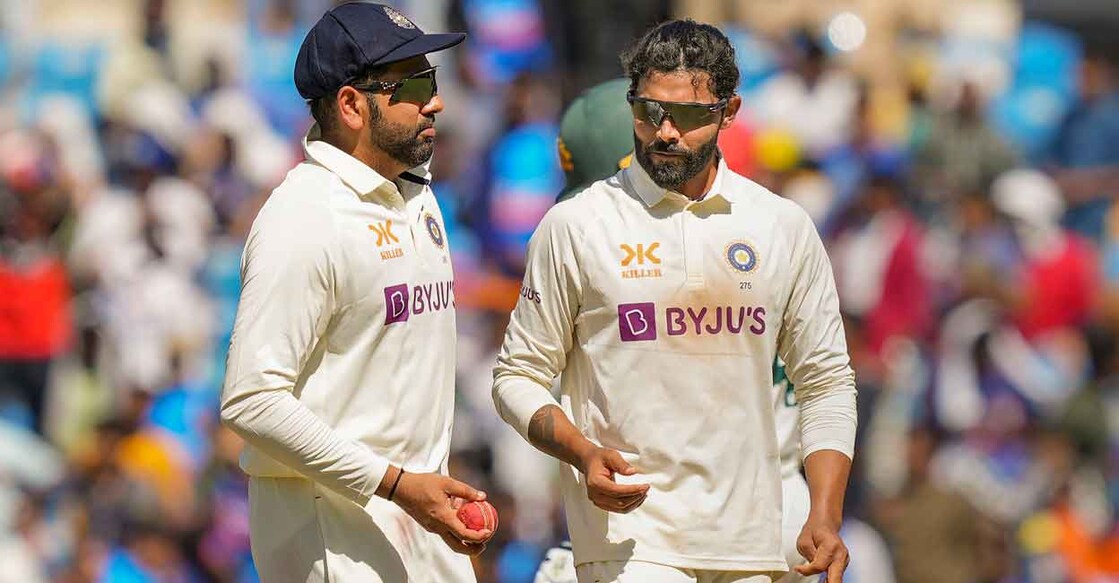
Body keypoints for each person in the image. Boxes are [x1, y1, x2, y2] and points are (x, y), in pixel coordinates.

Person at [494, 19, 856, 583]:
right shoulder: (576, 225)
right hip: (631, 546)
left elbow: (827, 380)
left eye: (687, 116)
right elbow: (516, 375)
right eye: (648, 112)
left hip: (752, 545)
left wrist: (826, 515)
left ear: (728, 111)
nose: (664, 133)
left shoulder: (781, 225)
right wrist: (582, 453)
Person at [219, 4, 489, 582]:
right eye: (414, 85)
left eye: (432, 79)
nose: (435, 101)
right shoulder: (304, 218)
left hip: (420, 518)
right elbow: (250, 400)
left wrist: (417, 487)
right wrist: (393, 483)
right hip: (335, 538)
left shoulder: (415, 194)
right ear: (350, 105)